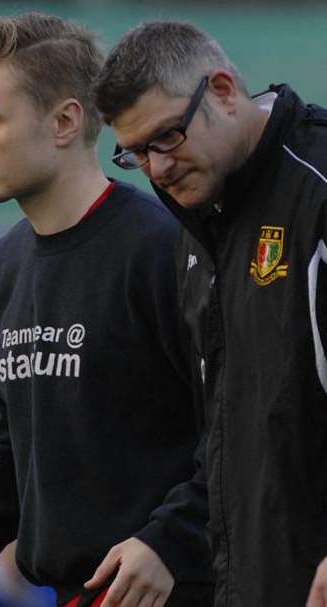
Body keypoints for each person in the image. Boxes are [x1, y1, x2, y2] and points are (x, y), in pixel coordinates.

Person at [0, 13, 214, 607]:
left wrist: (168, 542)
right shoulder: (5, 269)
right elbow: (0, 442)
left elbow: (238, 429)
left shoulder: (161, 249)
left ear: (64, 122)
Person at [95, 19, 327, 607]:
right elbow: (236, 434)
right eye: (136, 153)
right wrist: (168, 540)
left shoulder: (316, 187)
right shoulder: (199, 226)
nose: (157, 168)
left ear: (222, 90)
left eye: (166, 137)